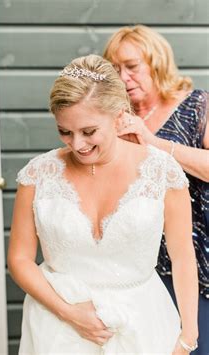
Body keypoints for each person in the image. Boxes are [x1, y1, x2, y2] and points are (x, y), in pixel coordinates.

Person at [8, 55, 199, 354]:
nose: (78, 144)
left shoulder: (162, 171)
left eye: (89, 131)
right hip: (56, 329)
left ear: (119, 114)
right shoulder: (38, 174)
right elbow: (19, 260)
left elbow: (183, 257)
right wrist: (68, 312)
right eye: (65, 132)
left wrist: (188, 335)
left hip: (143, 326)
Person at [103, 25, 208, 354]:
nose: (124, 77)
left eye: (132, 66)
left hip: (197, 254)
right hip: (139, 260)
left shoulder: (197, 106)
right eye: (116, 69)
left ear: (157, 63)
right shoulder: (112, 118)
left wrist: (153, 143)